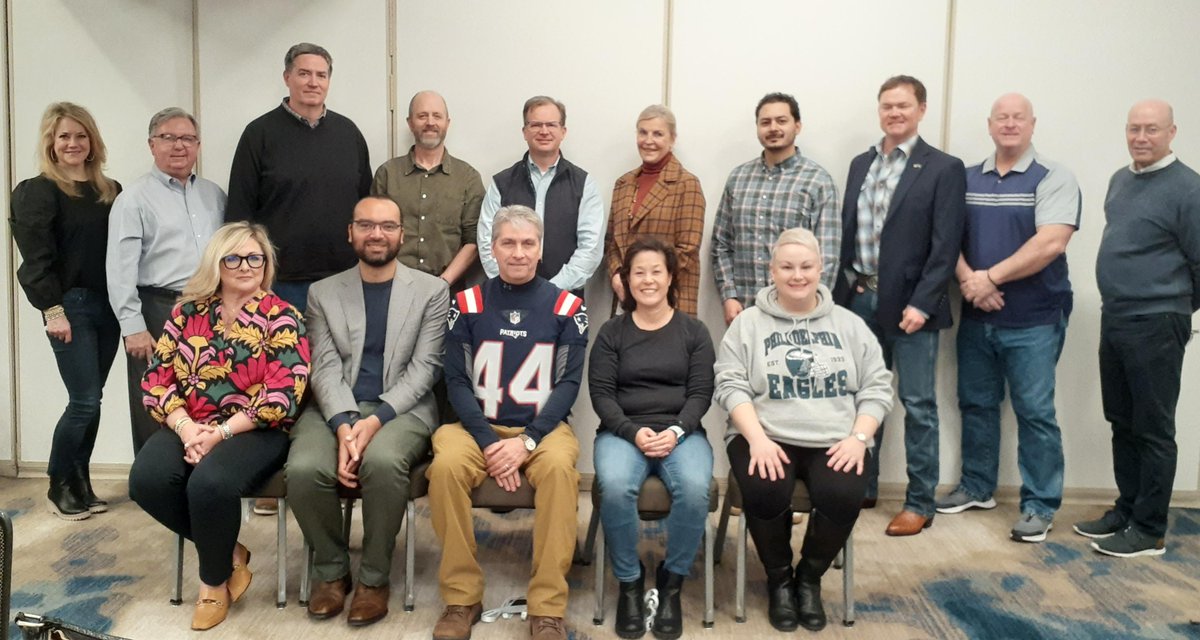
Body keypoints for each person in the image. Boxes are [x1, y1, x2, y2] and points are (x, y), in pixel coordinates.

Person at [127, 222, 309, 631]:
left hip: (255, 429)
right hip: (188, 422)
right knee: (147, 479)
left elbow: (285, 392)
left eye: (254, 258)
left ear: (266, 264)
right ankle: (229, 554)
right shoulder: (187, 312)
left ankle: (212, 585)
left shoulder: (283, 317)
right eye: (234, 257)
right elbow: (156, 380)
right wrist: (189, 429)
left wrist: (221, 433)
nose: (245, 266)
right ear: (217, 262)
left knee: (208, 484)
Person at [715, 228, 892, 632]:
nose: (798, 275)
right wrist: (756, 439)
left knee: (845, 491)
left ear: (821, 269)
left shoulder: (849, 325)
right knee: (764, 487)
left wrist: (859, 438)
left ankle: (808, 579)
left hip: (835, 438)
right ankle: (779, 579)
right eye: (787, 267)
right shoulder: (747, 325)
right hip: (763, 434)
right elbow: (729, 385)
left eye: (806, 267)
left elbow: (877, 387)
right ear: (771, 271)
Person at [428, 205, 587, 640]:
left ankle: (547, 607)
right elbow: (456, 380)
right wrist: (487, 442)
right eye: (508, 243)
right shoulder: (466, 303)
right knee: (443, 467)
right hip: (477, 428)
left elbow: (569, 384)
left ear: (541, 249)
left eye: (527, 243)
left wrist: (528, 441)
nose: (518, 253)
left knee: (558, 470)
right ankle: (462, 598)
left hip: (544, 430)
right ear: (492, 248)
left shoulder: (567, 306)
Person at [288, 196, 449, 626]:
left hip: (402, 409)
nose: (376, 234)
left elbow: (426, 369)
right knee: (303, 469)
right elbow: (322, 367)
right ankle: (332, 572)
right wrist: (344, 425)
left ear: (401, 233)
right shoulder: (322, 292)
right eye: (365, 225)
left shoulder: (433, 291)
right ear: (350, 232)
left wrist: (373, 422)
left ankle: (375, 579)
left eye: (386, 226)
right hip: (334, 407)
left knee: (381, 461)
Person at [935, 94, 1080, 543]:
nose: (1010, 124)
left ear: (1033, 124)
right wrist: (969, 281)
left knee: (1035, 412)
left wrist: (989, 277)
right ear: (990, 124)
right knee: (976, 404)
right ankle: (978, 487)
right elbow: (945, 235)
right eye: (1003, 117)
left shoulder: (1054, 177)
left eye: (1019, 117)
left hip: (1034, 318)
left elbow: (1051, 243)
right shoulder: (966, 177)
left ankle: (1039, 505)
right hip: (978, 317)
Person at [832, 75, 966, 533]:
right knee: (861, 398)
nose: (894, 113)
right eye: (887, 106)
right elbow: (848, 232)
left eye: (904, 106)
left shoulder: (943, 168)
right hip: (859, 298)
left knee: (917, 403)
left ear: (922, 110)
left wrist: (923, 303)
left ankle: (919, 502)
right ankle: (862, 485)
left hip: (911, 307)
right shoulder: (860, 164)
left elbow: (945, 246)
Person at [1076, 99, 1200, 558]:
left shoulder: (1189, 189)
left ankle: (1150, 531)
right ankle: (1126, 511)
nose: (1141, 137)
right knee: (1122, 421)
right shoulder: (1121, 180)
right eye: (1134, 129)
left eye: (1151, 129)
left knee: (1153, 428)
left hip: (1157, 321)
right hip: (1118, 316)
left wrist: (1173, 306)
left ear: (1172, 132)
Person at [589, 237, 714, 639]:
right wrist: (632, 431)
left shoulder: (694, 331)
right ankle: (629, 582)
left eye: (655, 271)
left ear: (671, 277)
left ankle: (671, 582)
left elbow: (700, 394)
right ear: (626, 279)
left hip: (682, 432)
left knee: (696, 489)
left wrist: (675, 431)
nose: (647, 280)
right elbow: (602, 396)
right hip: (623, 431)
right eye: (638, 272)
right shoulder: (612, 333)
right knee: (614, 485)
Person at [10, 102, 121, 521]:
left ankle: (81, 479)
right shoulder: (37, 192)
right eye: (63, 137)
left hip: (109, 308)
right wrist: (51, 310)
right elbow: (35, 259)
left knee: (94, 400)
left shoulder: (111, 192)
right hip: (70, 306)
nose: (72, 143)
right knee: (84, 401)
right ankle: (59, 484)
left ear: (92, 142)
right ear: (51, 144)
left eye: (80, 135)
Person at [106, 107, 226, 455]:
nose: (179, 146)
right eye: (168, 138)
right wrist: (133, 327)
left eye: (187, 138)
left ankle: (204, 478)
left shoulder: (214, 195)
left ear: (198, 145)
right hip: (158, 309)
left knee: (208, 393)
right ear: (151, 145)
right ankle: (154, 483)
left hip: (211, 307)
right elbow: (119, 269)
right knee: (156, 398)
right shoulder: (133, 200)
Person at [226, 42, 371, 312]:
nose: (313, 82)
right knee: (285, 356)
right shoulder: (259, 135)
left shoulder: (349, 134)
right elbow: (239, 214)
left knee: (342, 355)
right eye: (304, 73)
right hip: (277, 282)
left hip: (343, 279)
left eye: (321, 75)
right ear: (287, 78)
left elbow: (366, 206)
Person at [712, 92, 840, 326]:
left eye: (782, 121)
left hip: (796, 315)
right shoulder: (738, 178)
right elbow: (722, 244)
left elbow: (828, 258)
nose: (773, 128)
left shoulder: (818, 182)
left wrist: (811, 310)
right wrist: (729, 296)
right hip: (744, 313)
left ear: (797, 125)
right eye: (765, 122)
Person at [477, 96, 605, 298]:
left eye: (551, 125)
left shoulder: (584, 184)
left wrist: (550, 290)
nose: (544, 131)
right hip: (506, 297)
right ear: (524, 132)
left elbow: (590, 249)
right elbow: (487, 242)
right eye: (536, 124)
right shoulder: (501, 183)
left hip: (565, 299)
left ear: (563, 131)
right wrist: (512, 282)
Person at [370, 90, 485, 288]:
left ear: (447, 123)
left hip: (446, 290)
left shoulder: (468, 178)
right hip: (391, 287)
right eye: (422, 116)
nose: (430, 122)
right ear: (410, 122)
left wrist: (442, 284)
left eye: (437, 116)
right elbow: (374, 234)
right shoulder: (387, 174)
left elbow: (474, 241)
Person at [605, 105, 705, 316]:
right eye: (643, 132)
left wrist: (644, 286)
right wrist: (617, 276)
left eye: (658, 134)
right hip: (626, 300)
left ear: (672, 138)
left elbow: (687, 250)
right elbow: (612, 242)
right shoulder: (623, 183)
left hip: (670, 302)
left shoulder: (687, 184)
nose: (648, 140)